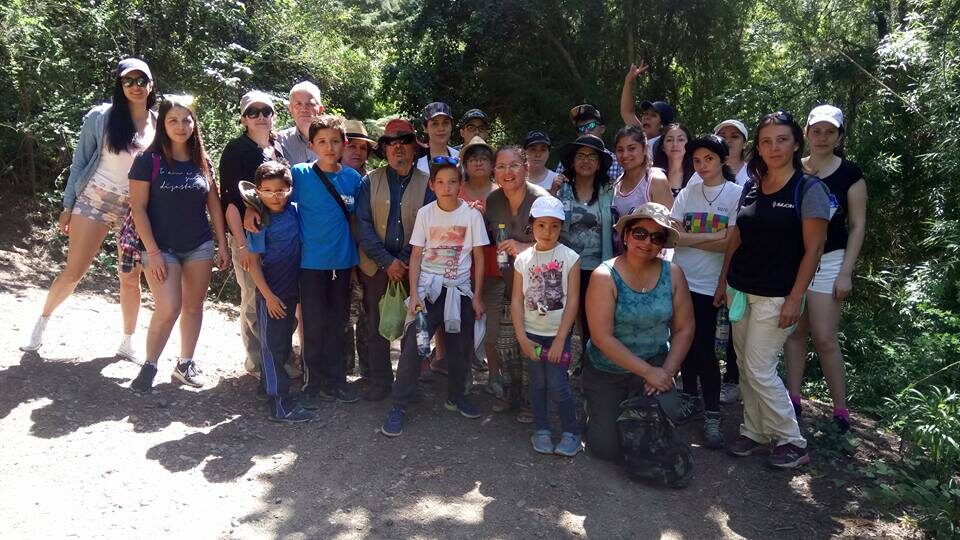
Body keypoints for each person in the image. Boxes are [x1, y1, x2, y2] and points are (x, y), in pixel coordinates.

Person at [715, 111, 830, 469]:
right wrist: (723, 280)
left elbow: (814, 249)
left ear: (796, 144)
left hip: (777, 294)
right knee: (745, 366)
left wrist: (795, 298)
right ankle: (754, 430)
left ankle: (792, 440)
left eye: (781, 140)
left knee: (759, 367)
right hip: (740, 290)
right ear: (758, 148)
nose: (774, 147)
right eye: (766, 141)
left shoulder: (808, 189)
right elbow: (737, 236)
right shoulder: (752, 186)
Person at [22, 58, 157, 357]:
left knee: (130, 277)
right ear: (120, 85)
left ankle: (127, 342)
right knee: (74, 271)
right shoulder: (101, 117)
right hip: (94, 199)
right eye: (128, 81)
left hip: (134, 209)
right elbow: (80, 162)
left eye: (141, 80)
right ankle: (41, 322)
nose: (135, 86)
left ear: (151, 84)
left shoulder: (159, 124)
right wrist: (67, 205)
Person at [128, 95, 229, 392]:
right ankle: (150, 364)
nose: (181, 126)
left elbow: (214, 205)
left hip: (199, 245)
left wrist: (222, 244)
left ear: (194, 124)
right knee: (169, 307)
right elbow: (138, 208)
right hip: (160, 247)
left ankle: (185, 364)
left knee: (194, 306)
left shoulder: (202, 161)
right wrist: (153, 251)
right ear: (163, 124)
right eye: (173, 120)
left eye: (187, 120)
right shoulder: (148, 161)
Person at [380, 158, 487, 437]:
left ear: (460, 184)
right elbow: (416, 254)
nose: (446, 187)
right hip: (428, 292)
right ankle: (399, 405)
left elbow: (478, 256)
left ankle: (457, 396)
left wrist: (477, 296)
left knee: (459, 348)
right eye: (440, 182)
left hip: (459, 290)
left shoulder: (471, 216)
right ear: (432, 185)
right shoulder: (426, 213)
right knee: (414, 347)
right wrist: (415, 293)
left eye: (452, 181)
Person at [582, 203, 694, 461]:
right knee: (607, 449)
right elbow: (601, 337)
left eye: (656, 237)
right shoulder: (604, 276)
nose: (647, 242)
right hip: (609, 370)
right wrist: (649, 373)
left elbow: (684, 328)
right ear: (626, 235)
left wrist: (666, 372)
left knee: (658, 431)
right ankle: (594, 408)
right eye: (640, 233)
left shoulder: (673, 274)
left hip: (655, 362)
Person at [783, 105, 867, 434]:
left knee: (824, 336)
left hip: (831, 260)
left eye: (829, 132)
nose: (822, 137)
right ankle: (793, 399)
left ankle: (840, 409)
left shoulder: (850, 174)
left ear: (839, 136)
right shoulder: (793, 168)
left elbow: (857, 225)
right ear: (806, 133)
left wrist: (847, 271)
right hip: (794, 259)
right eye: (816, 131)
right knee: (794, 332)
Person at [670, 134, 744, 449]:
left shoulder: (737, 194)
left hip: (710, 284)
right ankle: (688, 396)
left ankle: (712, 413)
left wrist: (692, 238)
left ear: (722, 159)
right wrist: (714, 236)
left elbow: (731, 244)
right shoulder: (688, 193)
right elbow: (672, 236)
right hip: (680, 280)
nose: (702, 166)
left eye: (709, 159)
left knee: (704, 349)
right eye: (697, 160)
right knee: (683, 343)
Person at [356, 119, 435, 401]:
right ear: (385, 149)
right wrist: (386, 261)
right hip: (375, 266)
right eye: (391, 143)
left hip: (415, 267)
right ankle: (380, 381)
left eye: (404, 142)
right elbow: (362, 225)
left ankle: (408, 384)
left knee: (414, 329)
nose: (397, 148)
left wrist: (402, 261)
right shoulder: (369, 181)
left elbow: (429, 227)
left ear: (415, 149)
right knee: (376, 325)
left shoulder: (429, 184)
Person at [220, 90, 286, 380]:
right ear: (243, 119)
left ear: (273, 116)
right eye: (252, 112)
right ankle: (257, 361)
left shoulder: (277, 149)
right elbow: (229, 202)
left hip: (278, 237)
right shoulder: (236, 150)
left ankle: (278, 357)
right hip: (247, 238)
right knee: (252, 297)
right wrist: (241, 244)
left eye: (265, 111)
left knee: (277, 295)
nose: (260, 117)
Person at [241, 162, 314, 422]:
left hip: (291, 289)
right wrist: (268, 297)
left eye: (281, 190)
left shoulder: (295, 211)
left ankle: (266, 387)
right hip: (271, 292)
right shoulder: (259, 221)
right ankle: (279, 402)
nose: (275, 196)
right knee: (271, 345)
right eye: (268, 191)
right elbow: (253, 263)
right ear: (258, 191)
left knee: (282, 343)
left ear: (290, 189)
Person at [510, 196, 582, 456]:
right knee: (537, 384)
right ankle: (541, 429)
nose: (547, 232)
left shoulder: (570, 258)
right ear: (532, 226)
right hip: (531, 335)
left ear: (561, 227)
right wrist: (522, 337)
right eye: (541, 225)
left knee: (558, 385)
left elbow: (573, 300)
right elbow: (516, 300)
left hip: (557, 336)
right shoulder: (522, 260)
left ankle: (571, 432)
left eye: (554, 226)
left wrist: (562, 339)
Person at [485, 145, 549, 420]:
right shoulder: (493, 201)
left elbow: (560, 244)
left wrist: (526, 247)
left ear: (526, 167)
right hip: (509, 285)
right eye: (501, 166)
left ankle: (531, 400)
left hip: (540, 288)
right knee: (504, 344)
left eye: (513, 165)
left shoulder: (542, 200)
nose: (507, 172)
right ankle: (511, 391)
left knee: (532, 346)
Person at [555, 135, 615, 349]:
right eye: (580, 156)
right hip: (564, 267)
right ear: (572, 161)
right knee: (561, 321)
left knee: (594, 323)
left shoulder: (609, 191)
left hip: (598, 269)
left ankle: (590, 363)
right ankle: (558, 361)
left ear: (599, 164)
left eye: (592, 157)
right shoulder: (561, 189)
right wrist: (552, 191)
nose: (586, 161)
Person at [458, 136, 500, 376]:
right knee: (462, 323)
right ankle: (462, 376)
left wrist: (487, 219)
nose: (478, 163)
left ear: (492, 164)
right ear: (465, 164)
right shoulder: (456, 190)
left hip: (494, 266)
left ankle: (495, 375)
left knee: (493, 326)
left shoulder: (500, 192)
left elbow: (507, 230)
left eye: (484, 158)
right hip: (461, 267)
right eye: (472, 158)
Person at [340, 118, 376, 380]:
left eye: (363, 148)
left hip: (367, 259)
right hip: (337, 258)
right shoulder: (328, 176)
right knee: (341, 315)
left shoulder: (373, 181)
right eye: (351, 145)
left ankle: (369, 371)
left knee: (367, 315)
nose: (358, 152)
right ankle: (342, 370)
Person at [611, 126, 672, 223]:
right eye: (620, 150)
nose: (625, 155)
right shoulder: (617, 183)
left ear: (645, 149)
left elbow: (669, 224)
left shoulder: (655, 180)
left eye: (631, 148)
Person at [619, 62, 676, 156]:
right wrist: (628, 82)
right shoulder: (641, 138)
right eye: (645, 113)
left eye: (653, 115)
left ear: (663, 125)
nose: (646, 117)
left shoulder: (668, 146)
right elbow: (627, 112)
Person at [554, 104, 622, 181]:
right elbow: (558, 186)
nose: (586, 131)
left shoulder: (617, 162)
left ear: (602, 129)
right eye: (580, 128)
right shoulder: (567, 160)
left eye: (591, 125)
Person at [688, 119, 751, 186]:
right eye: (722, 137)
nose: (728, 140)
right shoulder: (700, 175)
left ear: (744, 143)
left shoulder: (753, 175)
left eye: (734, 136)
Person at [276, 81, 323, 165]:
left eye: (310, 104)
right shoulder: (279, 141)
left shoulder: (335, 140)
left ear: (320, 109)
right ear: (290, 109)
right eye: (298, 104)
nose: (304, 109)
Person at [415, 102, 459, 174]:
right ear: (425, 128)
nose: (441, 128)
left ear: (451, 126)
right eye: (435, 124)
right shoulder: (416, 162)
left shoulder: (459, 157)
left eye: (445, 123)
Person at [652, 123, 694, 198]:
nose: (675, 144)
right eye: (669, 140)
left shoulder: (697, 175)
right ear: (662, 147)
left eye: (680, 140)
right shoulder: (652, 176)